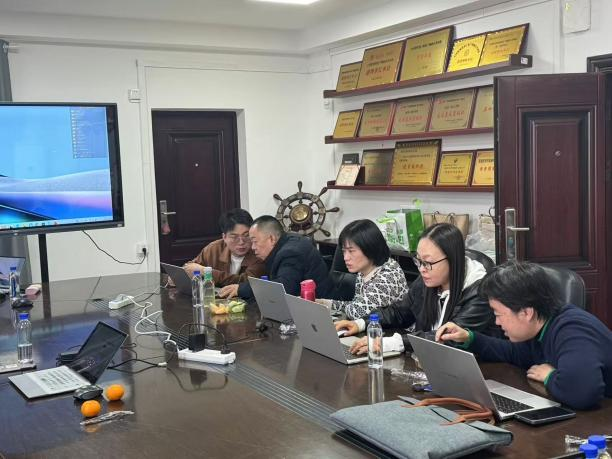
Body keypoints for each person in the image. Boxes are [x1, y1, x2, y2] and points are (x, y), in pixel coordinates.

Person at [436, 261, 612, 410]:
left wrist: (549, 376)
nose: (497, 322)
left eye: (498, 314)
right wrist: (469, 338)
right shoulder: (542, 326)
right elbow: (513, 353)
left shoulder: (572, 331)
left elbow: (583, 392)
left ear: (526, 313)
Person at [335, 223, 499, 355]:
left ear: (452, 260)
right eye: (418, 261)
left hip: (479, 372)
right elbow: (399, 312)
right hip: (429, 362)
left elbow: (449, 337)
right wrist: (361, 323)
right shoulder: (428, 279)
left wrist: (389, 343)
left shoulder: (480, 292)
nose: (421, 269)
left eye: (428, 262)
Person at [219, 215, 332, 299]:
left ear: (272, 239)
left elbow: (283, 287)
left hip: (318, 309)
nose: (253, 247)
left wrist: (241, 289)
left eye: (255, 241)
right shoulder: (286, 242)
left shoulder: (290, 253)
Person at [316, 219, 408, 319]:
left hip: (396, 329)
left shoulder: (387, 276)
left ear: (370, 248)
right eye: (344, 251)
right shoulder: (365, 269)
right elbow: (356, 304)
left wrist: (327, 305)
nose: (345, 258)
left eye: (351, 251)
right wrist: (323, 303)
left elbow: (356, 312)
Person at [183, 208, 266, 286]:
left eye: (246, 235)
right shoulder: (214, 249)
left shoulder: (259, 252)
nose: (241, 242)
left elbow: (246, 283)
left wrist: (207, 272)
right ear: (224, 237)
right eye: (234, 237)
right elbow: (190, 267)